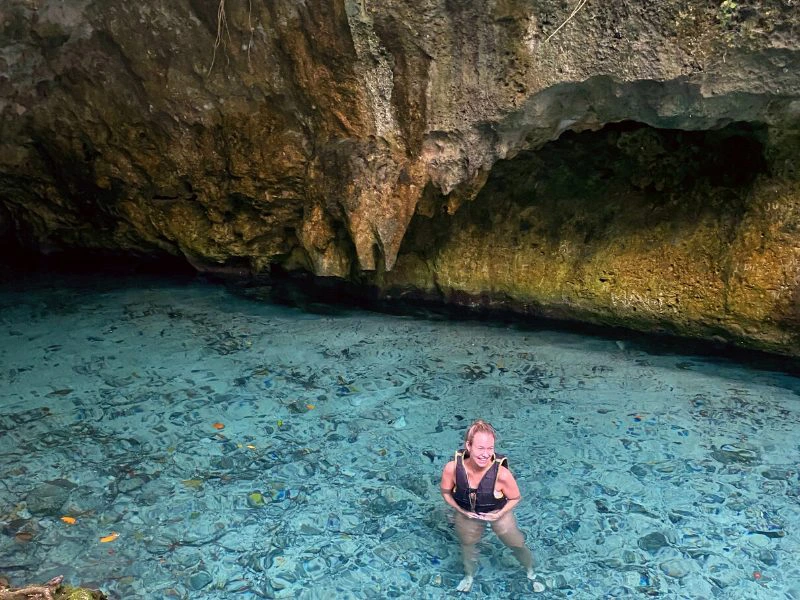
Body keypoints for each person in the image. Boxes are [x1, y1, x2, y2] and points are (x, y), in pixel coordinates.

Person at [440, 419, 544, 593]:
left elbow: (515, 497)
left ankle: (530, 572)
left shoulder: (502, 474)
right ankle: (469, 576)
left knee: (516, 544)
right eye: (480, 448)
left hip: (498, 512)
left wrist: (499, 514)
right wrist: (460, 510)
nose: (485, 454)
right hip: (467, 513)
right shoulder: (452, 469)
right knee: (467, 544)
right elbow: (445, 492)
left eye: (490, 449)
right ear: (469, 446)